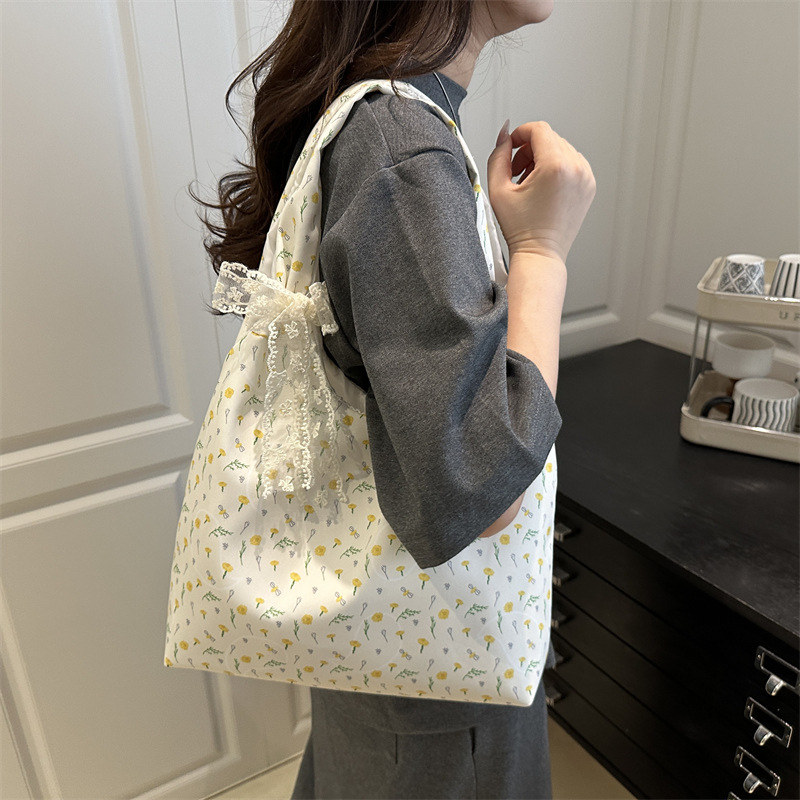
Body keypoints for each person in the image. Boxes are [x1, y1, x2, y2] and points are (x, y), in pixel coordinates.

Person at [193, 1, 595, 797]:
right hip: (440, 691)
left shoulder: (390, 122)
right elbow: (480, 489)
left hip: (397, 651)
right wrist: (543, 251)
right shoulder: (402, 142)